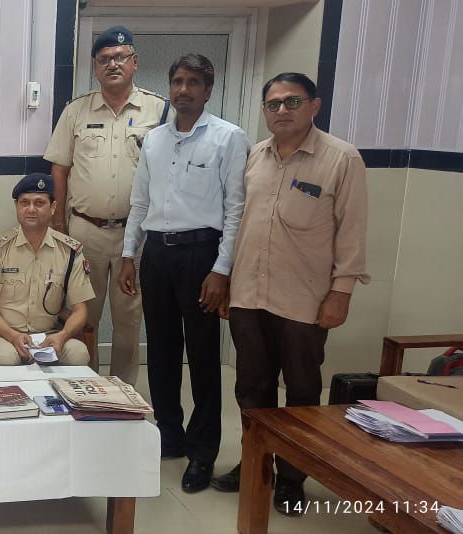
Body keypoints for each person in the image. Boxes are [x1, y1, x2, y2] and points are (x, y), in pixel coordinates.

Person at [210, 73, 370, 515]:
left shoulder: (341, 159)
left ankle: (293, 477)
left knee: (300, 390)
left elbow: (352, 232)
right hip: (248, 294)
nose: (281, 110)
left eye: (292, 102)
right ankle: (255, 463)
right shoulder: (255, 156)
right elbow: (238, 222)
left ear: (314, 106)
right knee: (251, 387)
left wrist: (341, 292)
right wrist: (227, 280)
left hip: (304, 299)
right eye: (273, 104)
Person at [118, 54, 248, 493]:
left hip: (201, 255)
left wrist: (221, 269)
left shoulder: (229, 138)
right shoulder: (154, 140)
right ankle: (169, 435)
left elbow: (236, 210)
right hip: (157, 253)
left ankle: (202, 451)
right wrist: (129, 254)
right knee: (161, 350)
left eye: (193, 82)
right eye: (177, 81)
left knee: (204, 356)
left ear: (208, 90)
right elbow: (140, 202)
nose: (184, 89)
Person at [43, 25, 168, 385]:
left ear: (134, 62)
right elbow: (59, 169)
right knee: (84, 315)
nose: (113, 64)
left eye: (120, 57)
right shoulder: (76, 111)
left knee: (129, 318)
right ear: (95, 67)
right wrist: (59, 225)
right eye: (104, 59)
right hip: (86, 230)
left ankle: (123, 391)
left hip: (136, 233)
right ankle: (88, 388)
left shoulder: (160, 110)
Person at [0, 173, 96, 366]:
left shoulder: (69, 252)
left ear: (53, 207)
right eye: (24, 203)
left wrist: (63, 335)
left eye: (39, 203)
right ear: (16, 206)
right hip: (5, 335)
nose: (31, 209)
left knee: (78, 353)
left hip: (51, 335)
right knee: (5, 358)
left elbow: (80, 310)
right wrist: (13, 336)